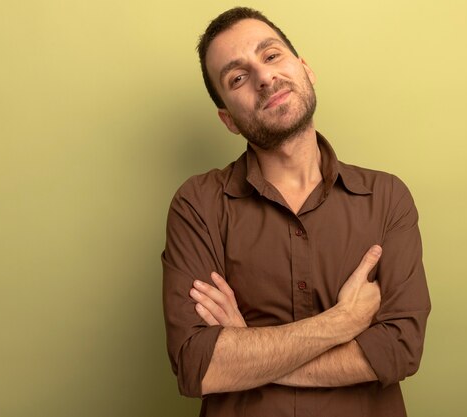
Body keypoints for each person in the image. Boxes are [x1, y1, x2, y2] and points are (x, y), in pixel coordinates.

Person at [162, 7, 431, 417]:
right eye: (238, 77)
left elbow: (398, 351)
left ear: (305, 69)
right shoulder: (198, 205)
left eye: (271, 56)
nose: (265, 78)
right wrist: (341, 322)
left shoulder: (387, 197)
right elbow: (199, 365)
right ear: (227, 119)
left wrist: (247, 348)